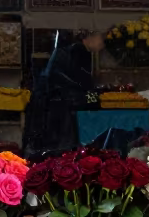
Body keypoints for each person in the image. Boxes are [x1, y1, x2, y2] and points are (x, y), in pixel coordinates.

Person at [24, 29, 105, 157]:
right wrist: (98, 99)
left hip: (53, 105)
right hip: (63, 108)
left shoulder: (69, 51)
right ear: (89, 37)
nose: (103, 43)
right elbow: (82, 85)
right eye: (101, 38)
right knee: (64, 150)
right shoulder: (79, 52)